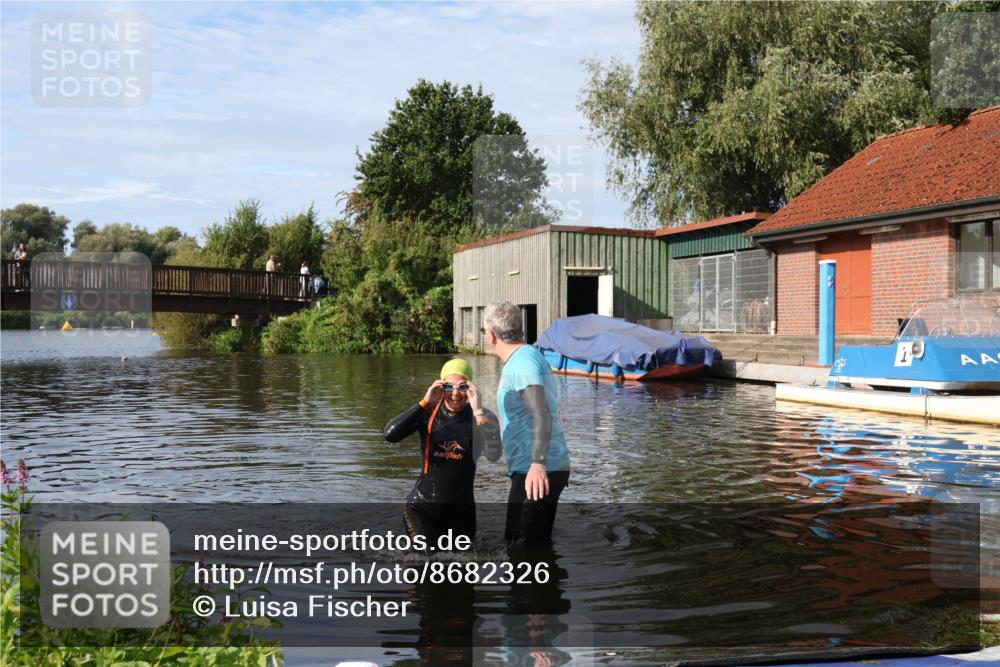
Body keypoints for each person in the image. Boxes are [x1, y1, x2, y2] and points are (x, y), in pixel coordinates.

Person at [383, 358, 501, 546]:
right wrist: (424, 402)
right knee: (427, 562)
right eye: (448, 387)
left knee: (460, 571)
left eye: (462, 387)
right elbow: (390, 435)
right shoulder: (427, 413)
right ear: (440, 386)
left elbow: (493, 455)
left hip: (462, 513)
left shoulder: (482, 417)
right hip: (422, 507)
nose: (455, 394)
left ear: (471, 388)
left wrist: (478, 411)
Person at [482, 301, 570, 547]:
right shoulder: (527, 356)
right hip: (540, 468)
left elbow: (541, 412)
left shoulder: (521, 364)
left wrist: (538, 465)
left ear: (490, 335)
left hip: (537, 471)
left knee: (520, 550)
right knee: (533, 547)